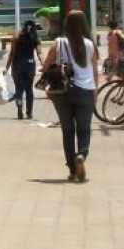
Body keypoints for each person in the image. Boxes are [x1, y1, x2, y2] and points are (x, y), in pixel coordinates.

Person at [41, 10, 99, 183]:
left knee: (67, 131)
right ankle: (81, 154)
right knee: (84, 129)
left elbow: (45, 66)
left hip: (62, 92)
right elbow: (94, 70)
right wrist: (95, 91)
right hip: (86, 90)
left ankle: (73, 170)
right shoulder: (90, 44)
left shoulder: (58, 43)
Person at [4, 20, 44, 120]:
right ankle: (29, 112)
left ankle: (19, 110)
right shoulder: (35, 38)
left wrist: (7, 67)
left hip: (18, 65)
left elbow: (12, 53)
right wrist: (44, 65)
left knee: (19, 89)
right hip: (30, 65)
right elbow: (39, 53)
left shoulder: (17, 37)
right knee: (29, 89)